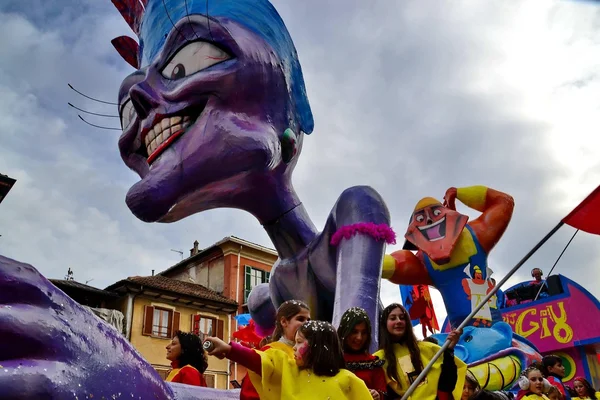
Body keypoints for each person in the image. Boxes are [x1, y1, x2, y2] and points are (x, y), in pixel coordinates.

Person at [205, 320, 371, 399]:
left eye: (299, 342)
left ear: (318, 346)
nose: (294, 347)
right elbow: (260, 360)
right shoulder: (289, 368)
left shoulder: (348, 380)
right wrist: (228, 349)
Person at [375, 303, 467, 400]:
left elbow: (447, 385)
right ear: (385, 324)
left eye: (402, 318)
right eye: (393, 318)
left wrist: (449, 351)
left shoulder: (428, 349)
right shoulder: (378, 359)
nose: (399, 321)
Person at [240, 300, 310, 399]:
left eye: (308, 320)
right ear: (284, 322)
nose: (306, 324)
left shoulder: (310, 354)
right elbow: (251, 392)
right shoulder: (269, 351)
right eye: (301, 319)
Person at [337, 307, 387, 399]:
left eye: (364, 332)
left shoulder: (373, 363)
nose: (359, 338)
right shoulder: (332, 360)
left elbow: (383, 392)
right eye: (354, 332)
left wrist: (377, 395)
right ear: (344, 332)